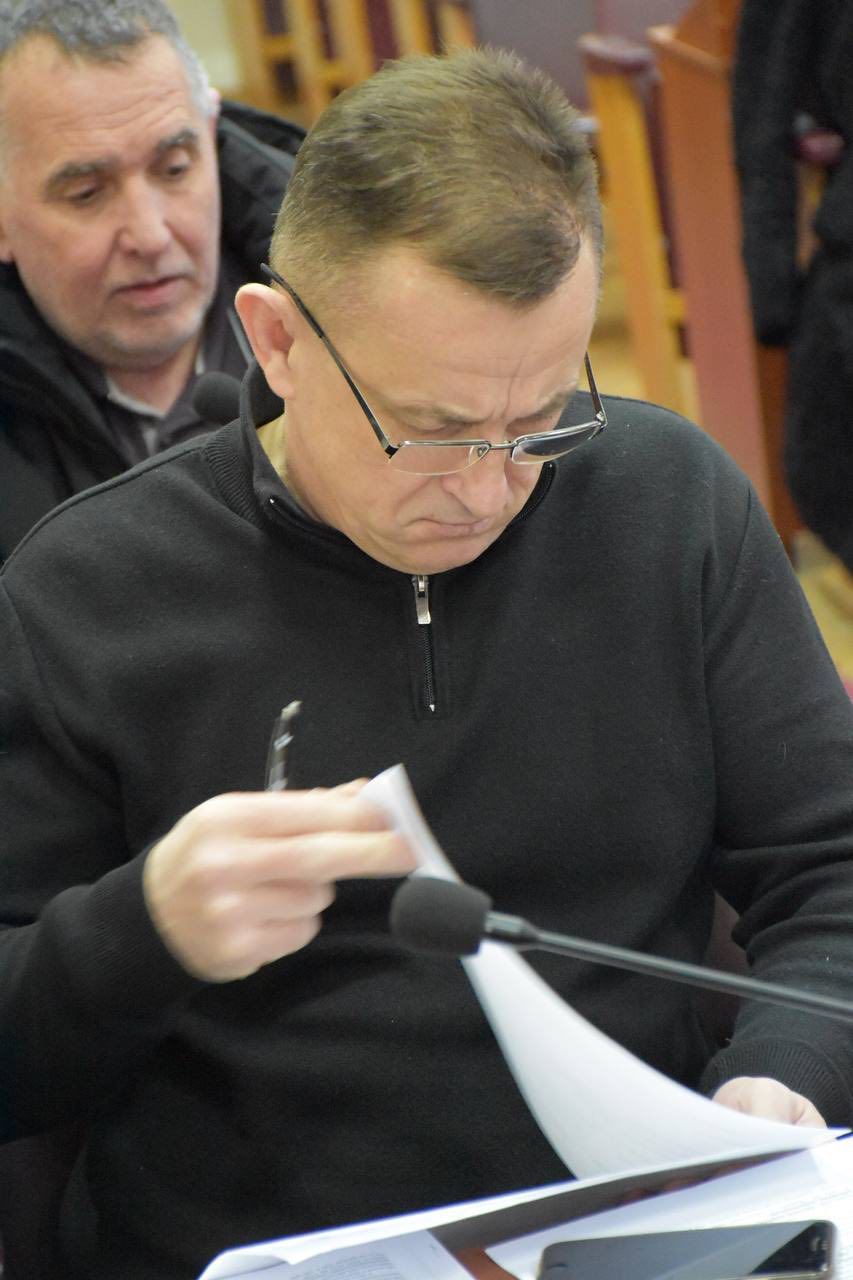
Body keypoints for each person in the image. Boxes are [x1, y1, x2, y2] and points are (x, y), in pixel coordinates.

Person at [2, 45, 853, 1280]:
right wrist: (144, 928)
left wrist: (784, 1073)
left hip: (637, 1224)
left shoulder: (667, 504)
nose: (488, 490)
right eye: (433, 431)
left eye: (540, 419)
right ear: (277, 342)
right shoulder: (85, 592)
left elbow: (831, 866)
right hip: (263, 1249)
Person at [0, 0, 303, 562]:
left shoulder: (354, 302)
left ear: (210, 136)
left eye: (175, 169)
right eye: (86, 193)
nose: (151, 235)